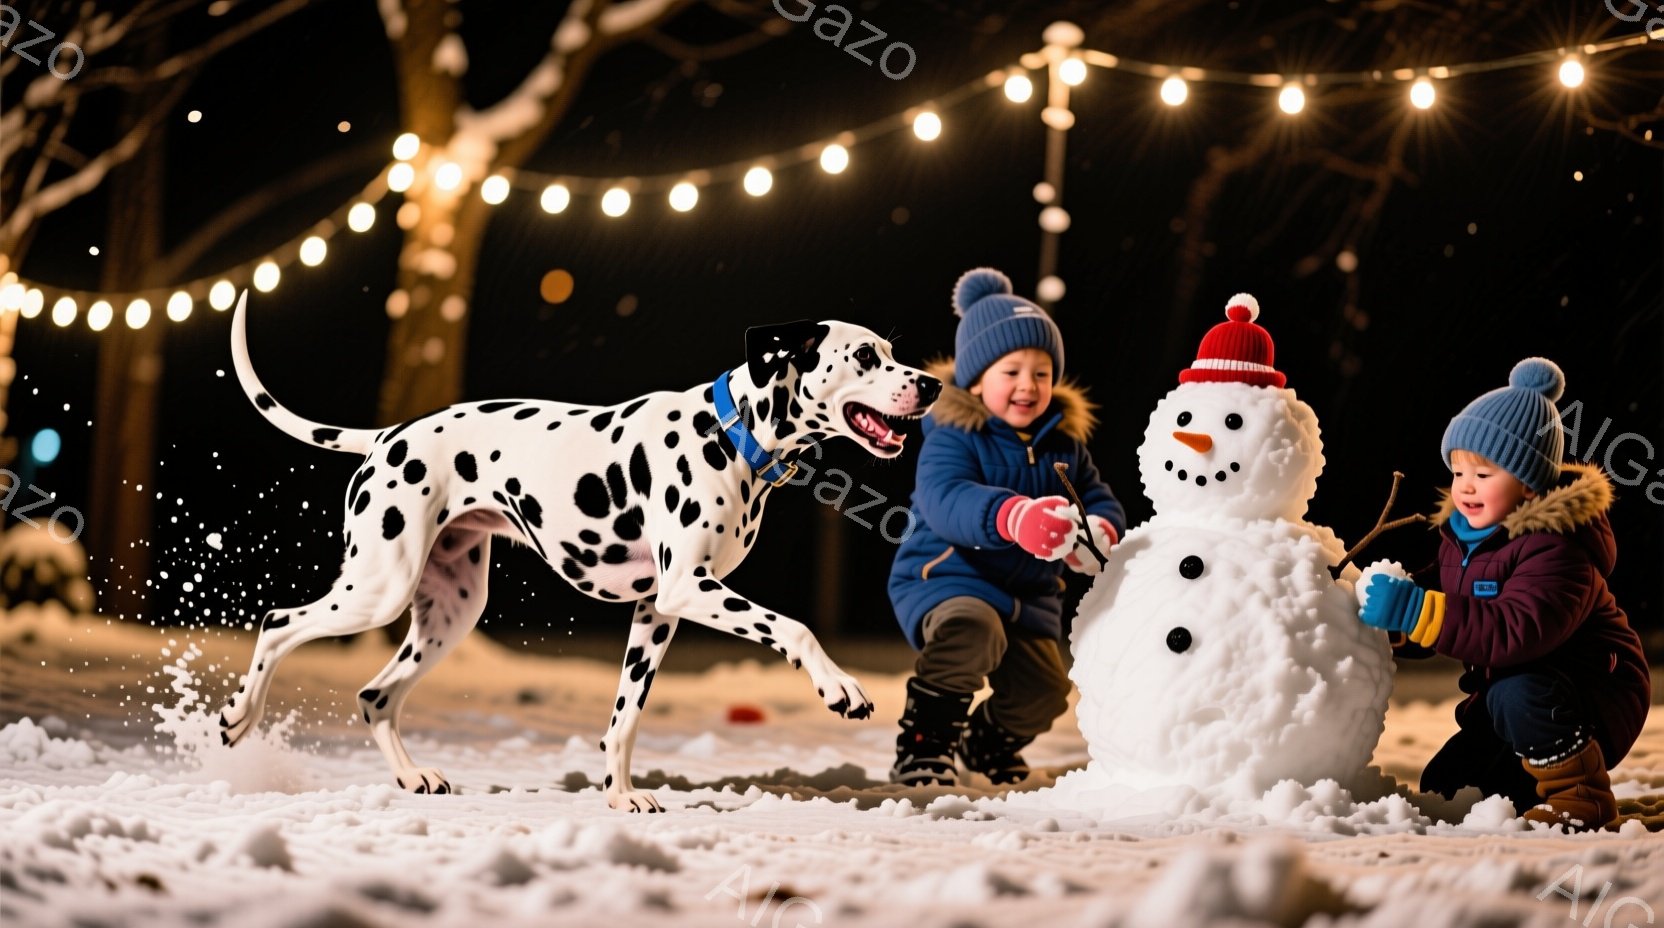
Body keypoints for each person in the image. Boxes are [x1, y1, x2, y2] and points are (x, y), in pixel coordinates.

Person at [1356, 358, 1649, 831]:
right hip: (1506, 701)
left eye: (1485, 474)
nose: (1466, 487)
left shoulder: (1560, 548)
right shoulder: (1466, 538)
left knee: (1520, 690)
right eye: (1458, 472)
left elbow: (1516, 631)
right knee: (1448, 790)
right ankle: (1524, 779)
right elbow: (1443, 593)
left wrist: (1416, 611)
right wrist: (1392, 619)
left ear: (1530, 488)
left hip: (1590, 693)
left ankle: (1582, 796)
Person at [888, 268, 1126, 787]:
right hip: (950, 577)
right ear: (976, 380)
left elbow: (1097, 498)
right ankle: (923, 747)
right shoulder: (954, 434)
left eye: (1041, 374)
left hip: (1029, 594)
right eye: (1011, 371)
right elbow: (945, 498)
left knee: (1045, 690)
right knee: (972, 632)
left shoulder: (1065, 445)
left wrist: (1096, 534)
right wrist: (1013, 515)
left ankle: (987, 741)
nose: (1028, 385)